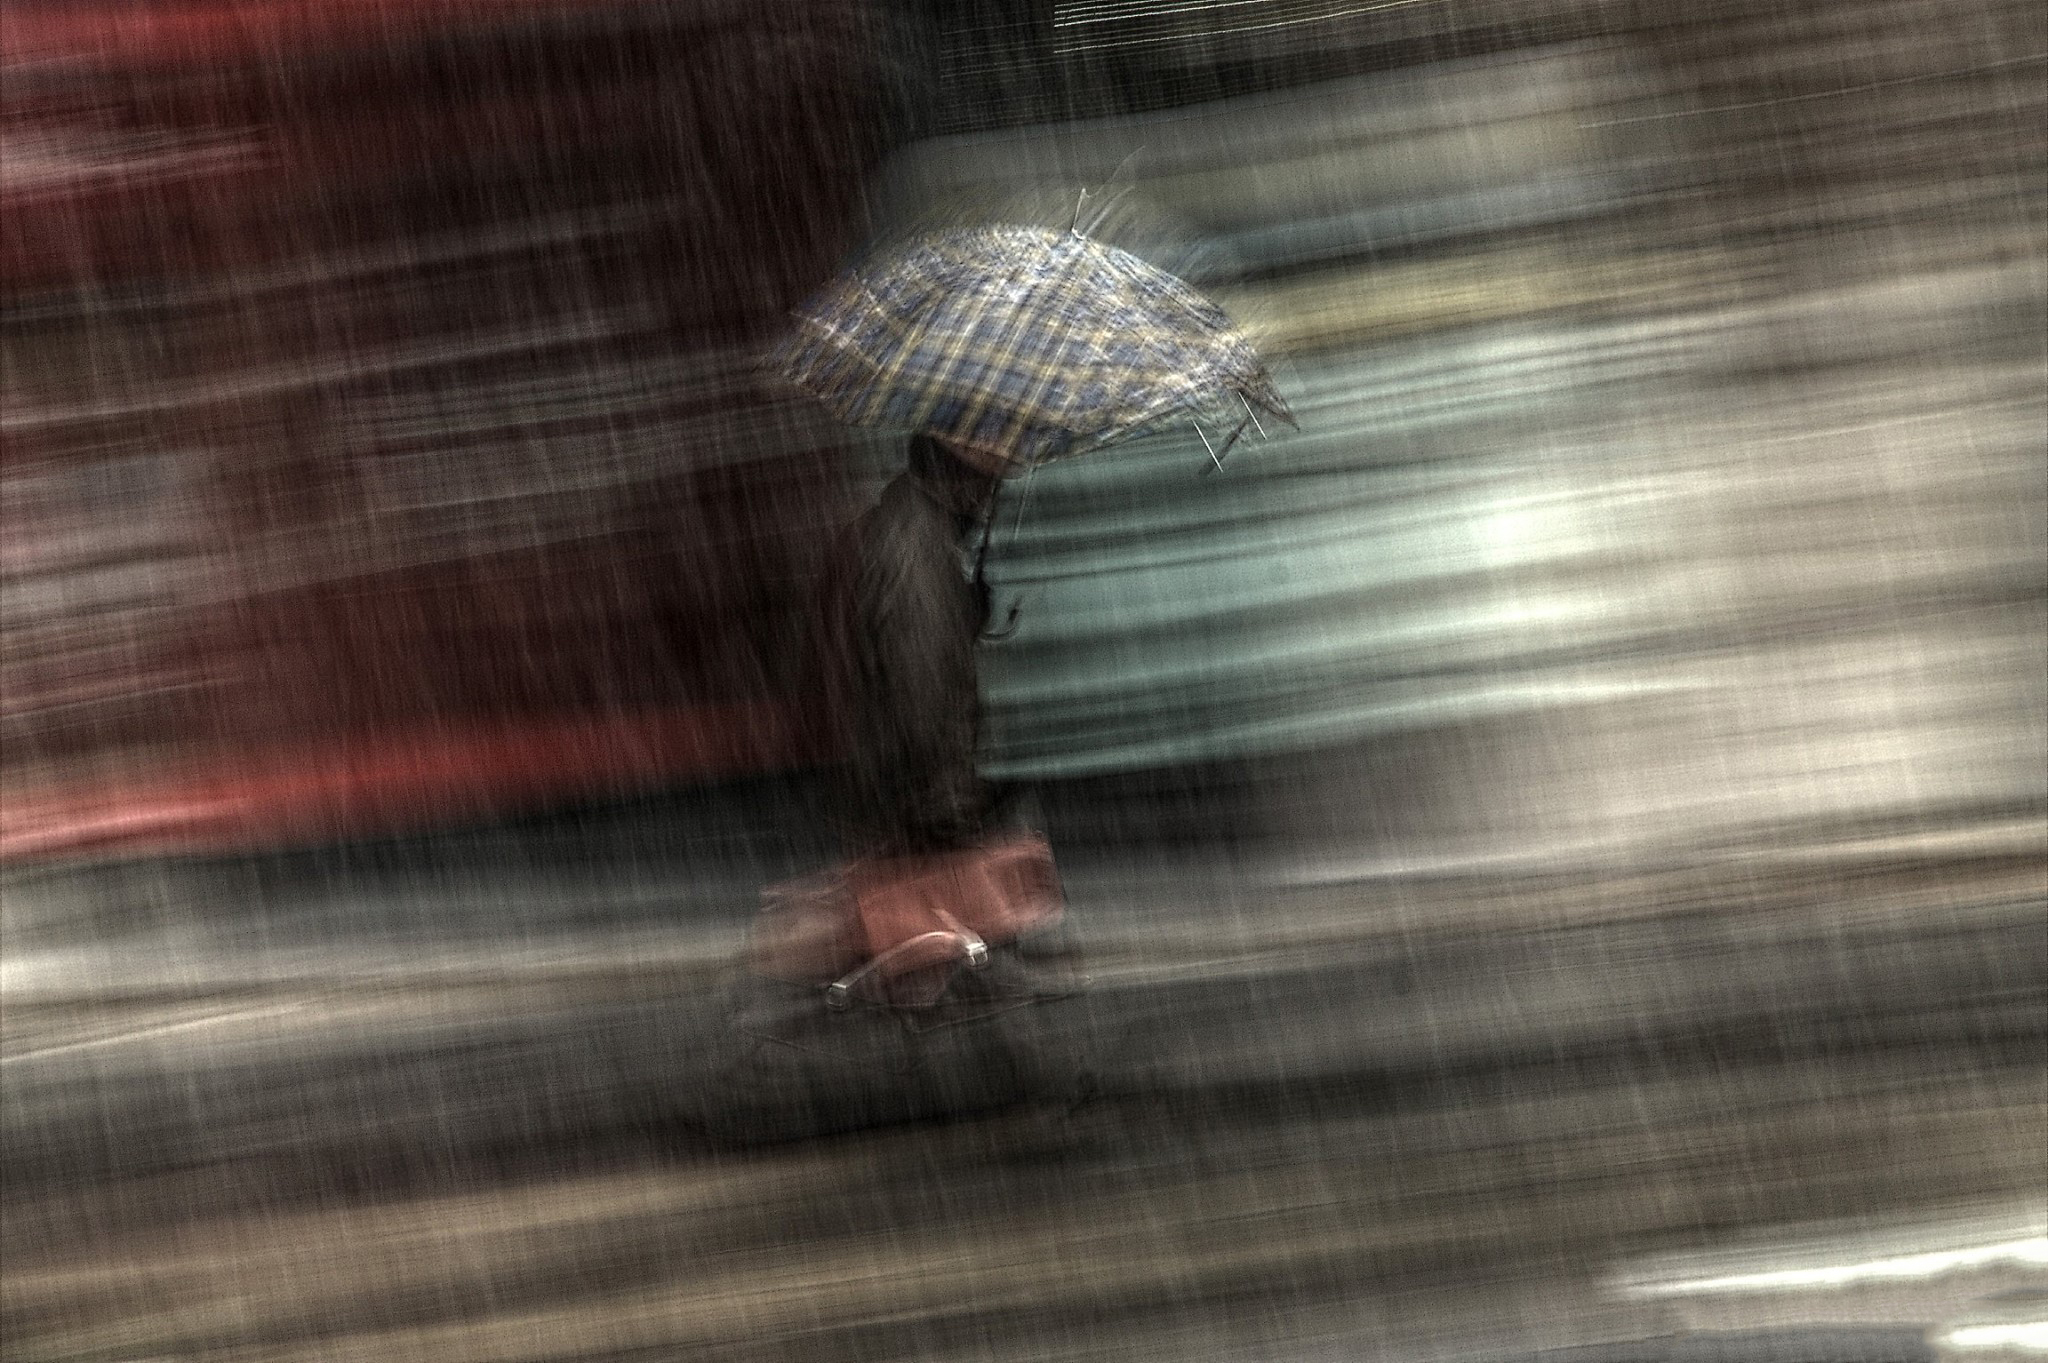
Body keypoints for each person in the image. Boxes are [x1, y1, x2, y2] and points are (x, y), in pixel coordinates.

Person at [840, 432, 1006, 856]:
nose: (1007, 468)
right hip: (921, 801)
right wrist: (948, 798)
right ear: (961, 462)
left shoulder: (930, 528)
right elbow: (922, 681)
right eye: (994, 456)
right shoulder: (917, 547)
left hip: (915, 794)